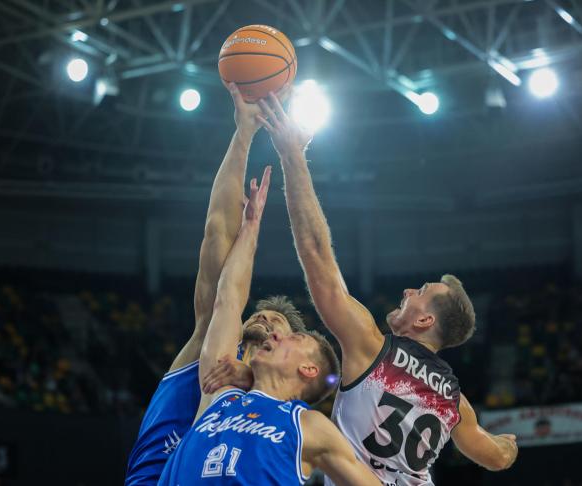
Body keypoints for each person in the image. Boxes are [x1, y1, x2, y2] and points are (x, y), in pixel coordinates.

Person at [255, 93, 519, 485]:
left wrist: (293, 156)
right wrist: (510, 444)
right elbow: (495, 457)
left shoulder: (370, 347)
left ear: (426, 319)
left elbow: (315, 253)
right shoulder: (455, 402)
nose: (410, 289)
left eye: (422, 291)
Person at [125, 83, 304, 485]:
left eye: (277, 324)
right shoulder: (217, 339)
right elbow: (216, 233)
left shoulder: (288, 407)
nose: (264, 322)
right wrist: (243, 134)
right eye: (259, 314)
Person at [158, 166, 380, 486]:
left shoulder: (309, 427)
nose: (276, 334)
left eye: (295, 337)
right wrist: (250, 227)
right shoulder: (220, 391)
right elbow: (227, 300)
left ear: (309, 369)